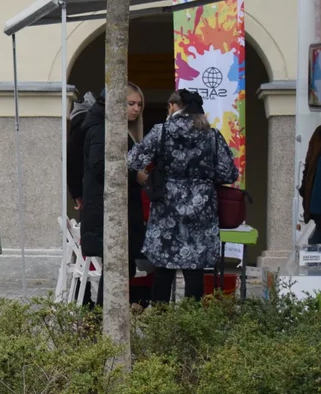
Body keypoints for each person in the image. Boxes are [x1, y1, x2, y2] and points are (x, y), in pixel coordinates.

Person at [128, 89, 239, 302]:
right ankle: (190, 324)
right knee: (195, 268)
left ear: (172, 106)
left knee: (163, 266)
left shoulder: (161, 131)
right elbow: (229, 173)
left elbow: (133, 161)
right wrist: (203, 177)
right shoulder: (212, 135)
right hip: (202, 207)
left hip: (166, 205)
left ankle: (161, 321)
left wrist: (155, 173)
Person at [78, 83, 147, 306]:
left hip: (112, 210)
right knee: (117, 271)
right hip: (107, 211)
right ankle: (104, 324)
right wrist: (134, 175)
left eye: (139, 104)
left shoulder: (109, 128)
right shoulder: (101, 129)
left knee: (120, 270)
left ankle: (105, 324)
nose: (136, 109)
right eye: (131, 103)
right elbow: (100, 166)